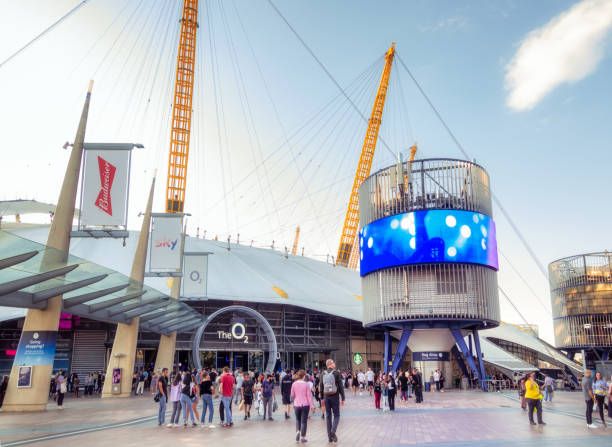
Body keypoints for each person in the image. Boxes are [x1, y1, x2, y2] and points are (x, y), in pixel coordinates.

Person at [320, 358, 345, 443]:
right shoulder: (336, 373)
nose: (334, 364)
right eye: (333, 363)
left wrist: (322, 398)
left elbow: (321, 387)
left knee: (328, 416)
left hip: (326, 397)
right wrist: (343, 398)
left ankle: (329, 438)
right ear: (330, 364)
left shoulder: (322, 373)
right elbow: (341, 386)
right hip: (335, 396)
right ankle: (333, 430)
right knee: (337, 415)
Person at [291, 369, 314, 443]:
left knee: (298, 420)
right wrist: (312, 406)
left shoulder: (294, 384)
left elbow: (292, 395)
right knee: (304, 421)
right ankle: (303, 437)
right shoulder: (306, 384)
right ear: (304, 376)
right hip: (305, 405)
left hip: (297, 404)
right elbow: (309, 396)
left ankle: (298, 432)